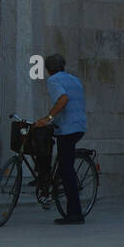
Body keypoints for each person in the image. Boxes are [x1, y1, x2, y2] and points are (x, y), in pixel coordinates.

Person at [34, 54, 86, 224]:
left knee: (66, 170)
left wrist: (48, 118)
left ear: (48, 70)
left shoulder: (53, 80)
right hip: (78, 126)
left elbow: (63, 99)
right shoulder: (74, 79)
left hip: (68, 129)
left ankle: (75, 213)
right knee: (65, 164)